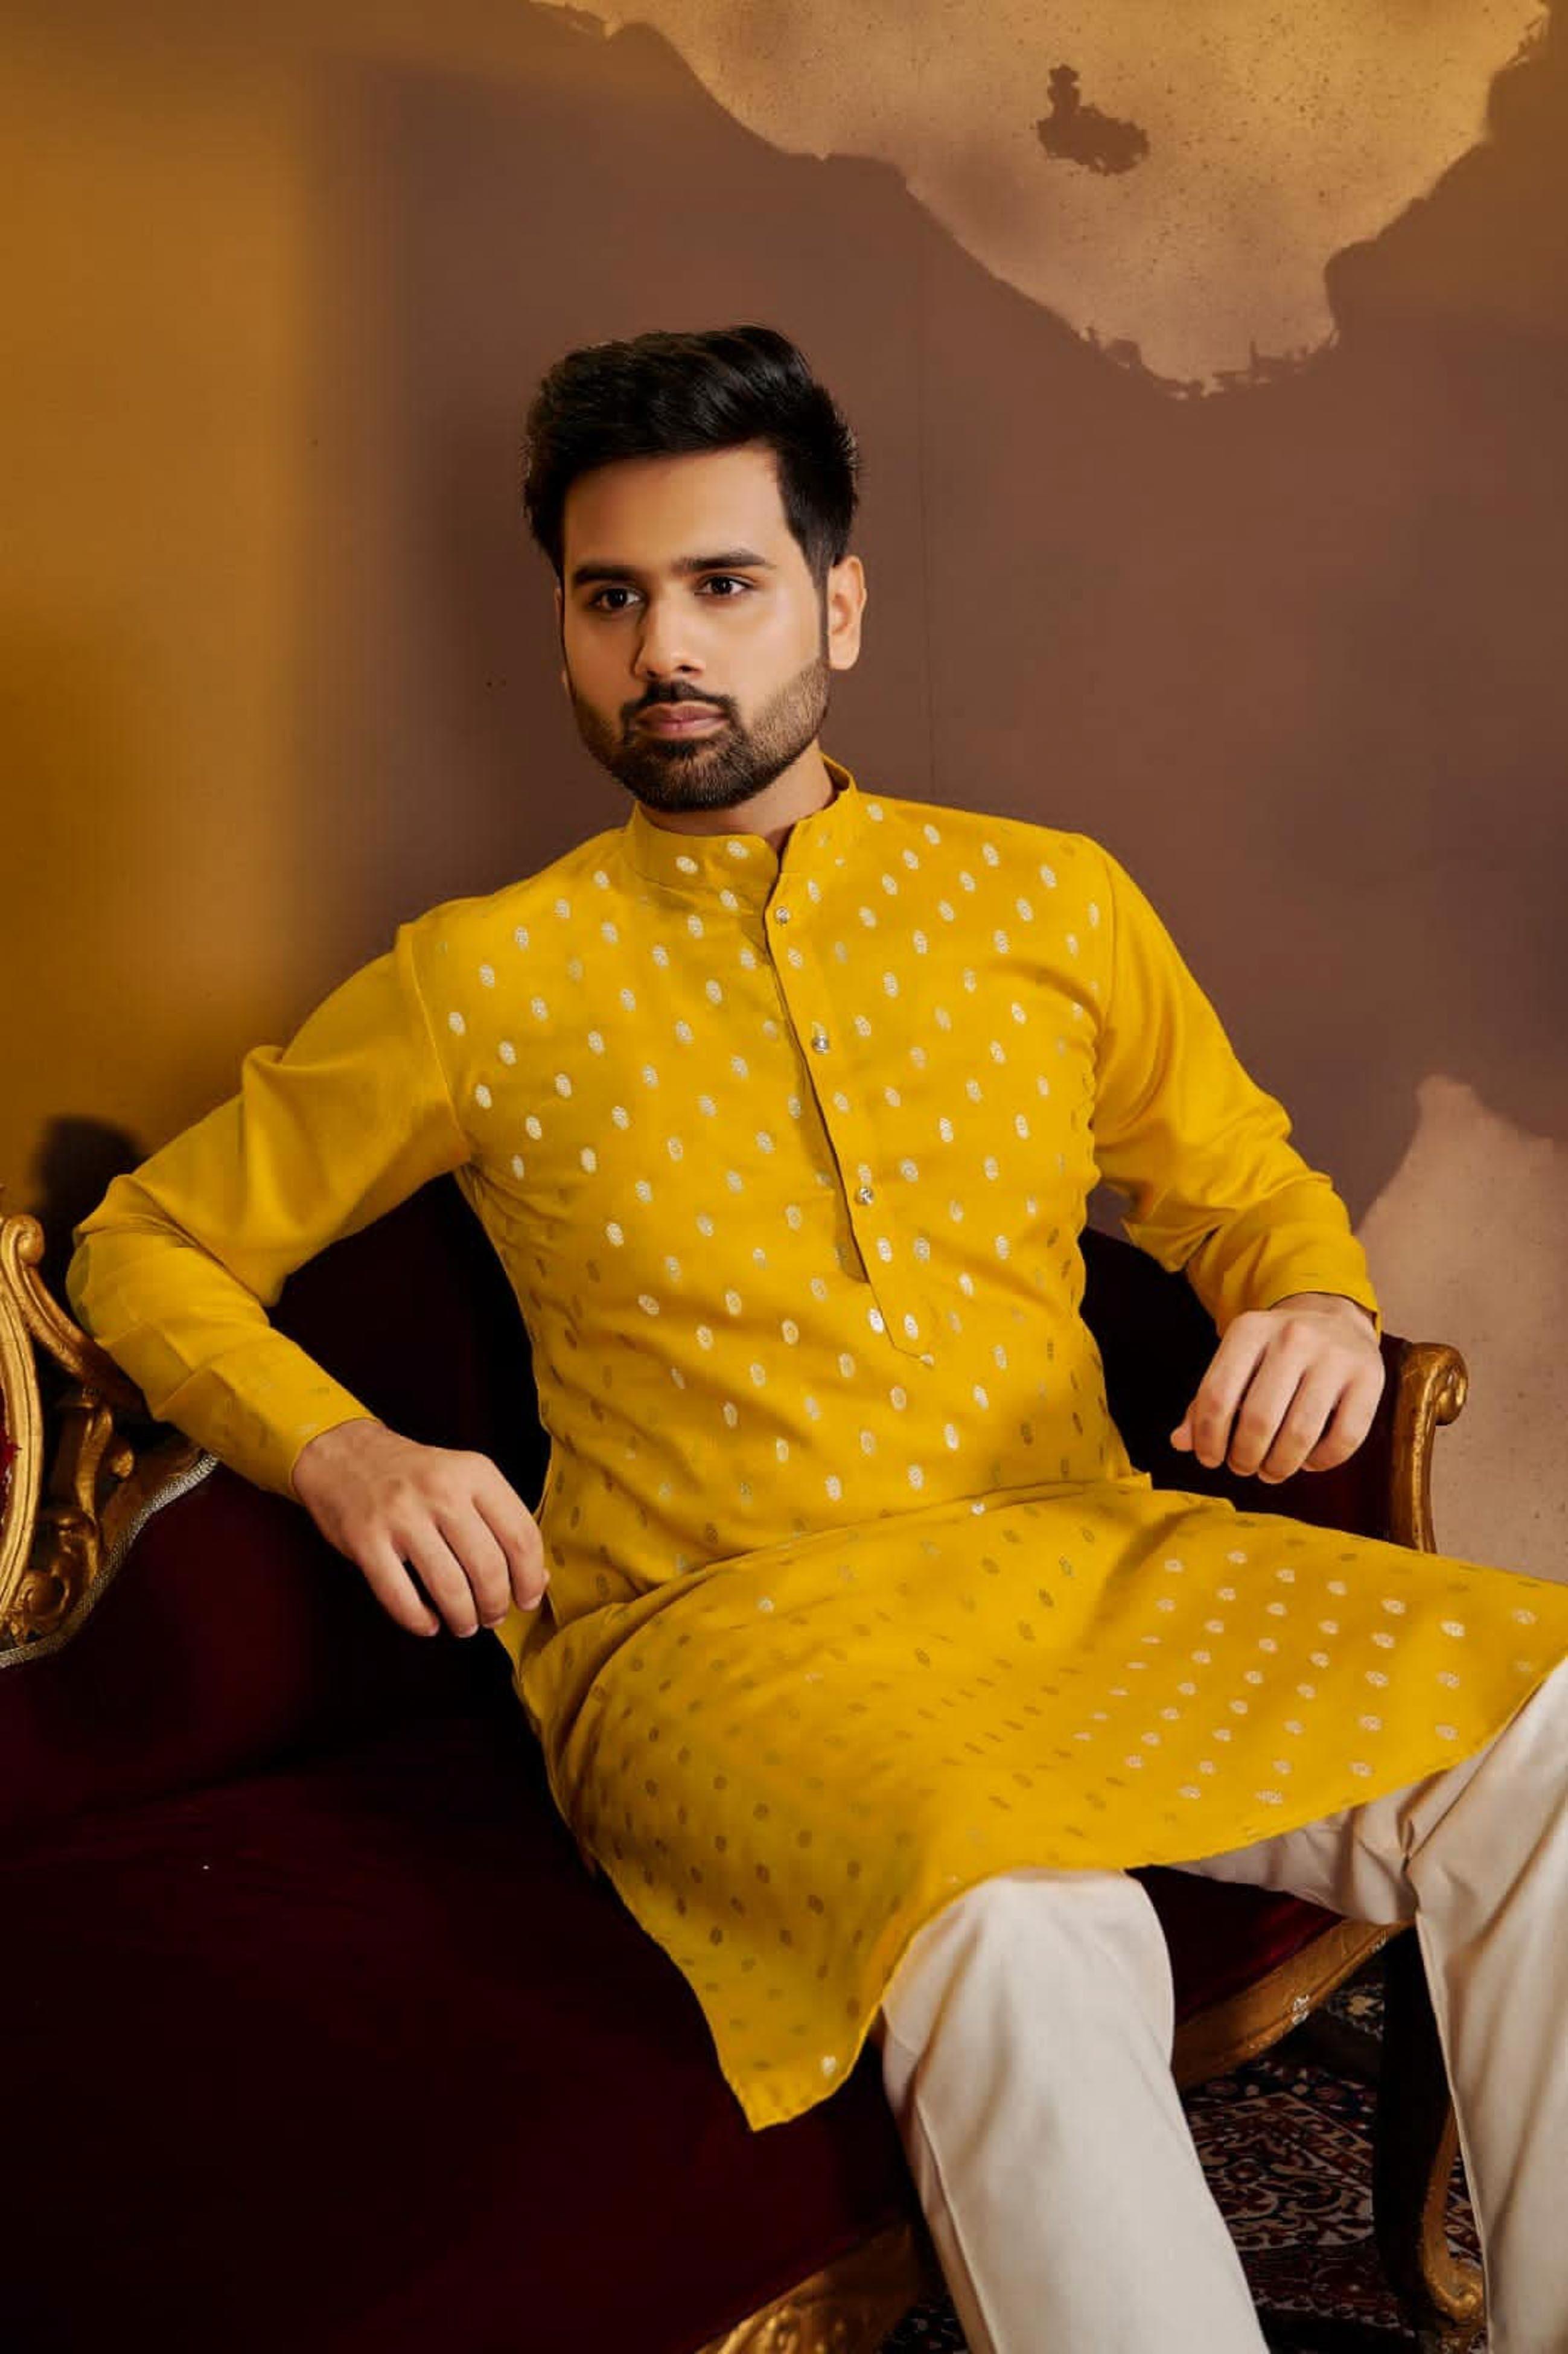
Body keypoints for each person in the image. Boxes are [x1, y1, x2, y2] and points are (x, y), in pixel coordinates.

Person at [68, 325, 1568, 2353]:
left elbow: (1237, 1180)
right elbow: (146, 1243)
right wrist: (348, 1453)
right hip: (718, 1635)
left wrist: (1312, 1295)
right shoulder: (478, 983)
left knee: (1554, 1732)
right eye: (611, 598)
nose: (664, 647)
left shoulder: (1051, 902)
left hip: (1084, 1564)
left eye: (724, 583)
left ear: (840, 605)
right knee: (1012, 1916)